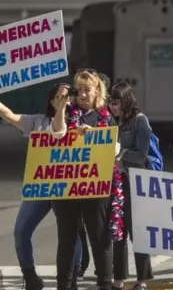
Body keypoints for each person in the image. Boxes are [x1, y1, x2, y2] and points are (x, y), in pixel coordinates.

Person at [0, 81, 81, 290]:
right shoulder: (37, 121)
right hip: (40, 187)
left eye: (68, 97)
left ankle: (73, 278)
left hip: (67, 189)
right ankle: (30, 275)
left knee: (72, 236)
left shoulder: (79, 123)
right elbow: (9, 115)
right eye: (60, 97)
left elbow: (67, 133)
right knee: (21, 231)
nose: (64, 100)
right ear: (51, 101)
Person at [53, 69, 118, 290]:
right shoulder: (69, 111)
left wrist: (95, 135)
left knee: (99, 238)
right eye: (78, 90)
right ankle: (65, 285)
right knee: (67, 239)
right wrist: (61, 108)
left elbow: (114, 147)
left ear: (97, 91)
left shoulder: (105, 116)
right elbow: (57, 133)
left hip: (96, 186)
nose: (81, 94)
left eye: (87, 90)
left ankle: (105, 284)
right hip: (69, 185)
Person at [108, 81, 154, 290]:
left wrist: (120, 153)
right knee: (118, 231)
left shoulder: (140, 121)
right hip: (116, 182)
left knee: (137, 232)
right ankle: (118, 278)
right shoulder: (113, 122)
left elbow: (141, 155)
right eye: (110, 102)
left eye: (116, 102)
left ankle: (142, 279)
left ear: (126, 101)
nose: (113, 106)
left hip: (135, 182)